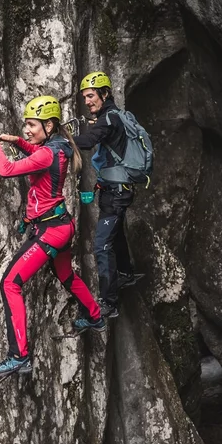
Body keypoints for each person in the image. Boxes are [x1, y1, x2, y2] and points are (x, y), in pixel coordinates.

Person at [0, 95, 104, 376]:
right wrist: (17, 141)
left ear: (48, 126)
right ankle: (95, 316)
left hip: (51, 231)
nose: (27, 130)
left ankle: (19, 356)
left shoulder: (48, 152)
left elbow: (6, 169)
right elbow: (38, 154)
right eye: (26, 125)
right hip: (61, 226)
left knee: (10, 283)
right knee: (66, 275)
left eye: (32, 125)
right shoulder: (58, 145)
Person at [72, 71, 144, 319]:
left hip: (116, 194)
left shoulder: (108, 119)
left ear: (105, 93)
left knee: (101, 245)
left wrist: (59, 138)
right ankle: (125, 273)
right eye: (85, 97)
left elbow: (87, 142)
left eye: (91, 96)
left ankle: (109, 303)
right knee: (115, 234)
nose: (87, 101)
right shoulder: (113, 116)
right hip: (116, 191)